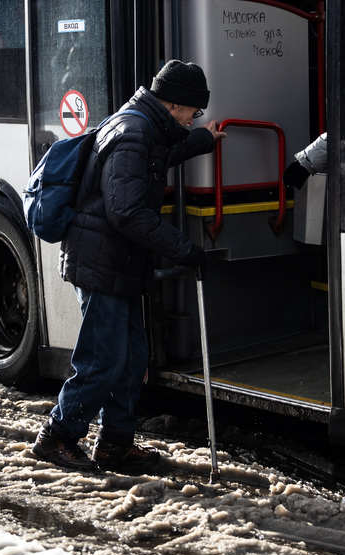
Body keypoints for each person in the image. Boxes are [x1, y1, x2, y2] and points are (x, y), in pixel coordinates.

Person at [31, 60, 226, 473]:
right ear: (175, 104)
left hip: (118, 260)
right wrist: (185, 250)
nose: (195, 119)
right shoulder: (135, 133)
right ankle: (57, 436)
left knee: (133, 357)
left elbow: (156, 159)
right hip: (102, 260)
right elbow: (127, 211)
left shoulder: (144, 126)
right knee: (103, 359)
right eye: (194, 112)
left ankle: (115, 444)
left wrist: (200, 143)